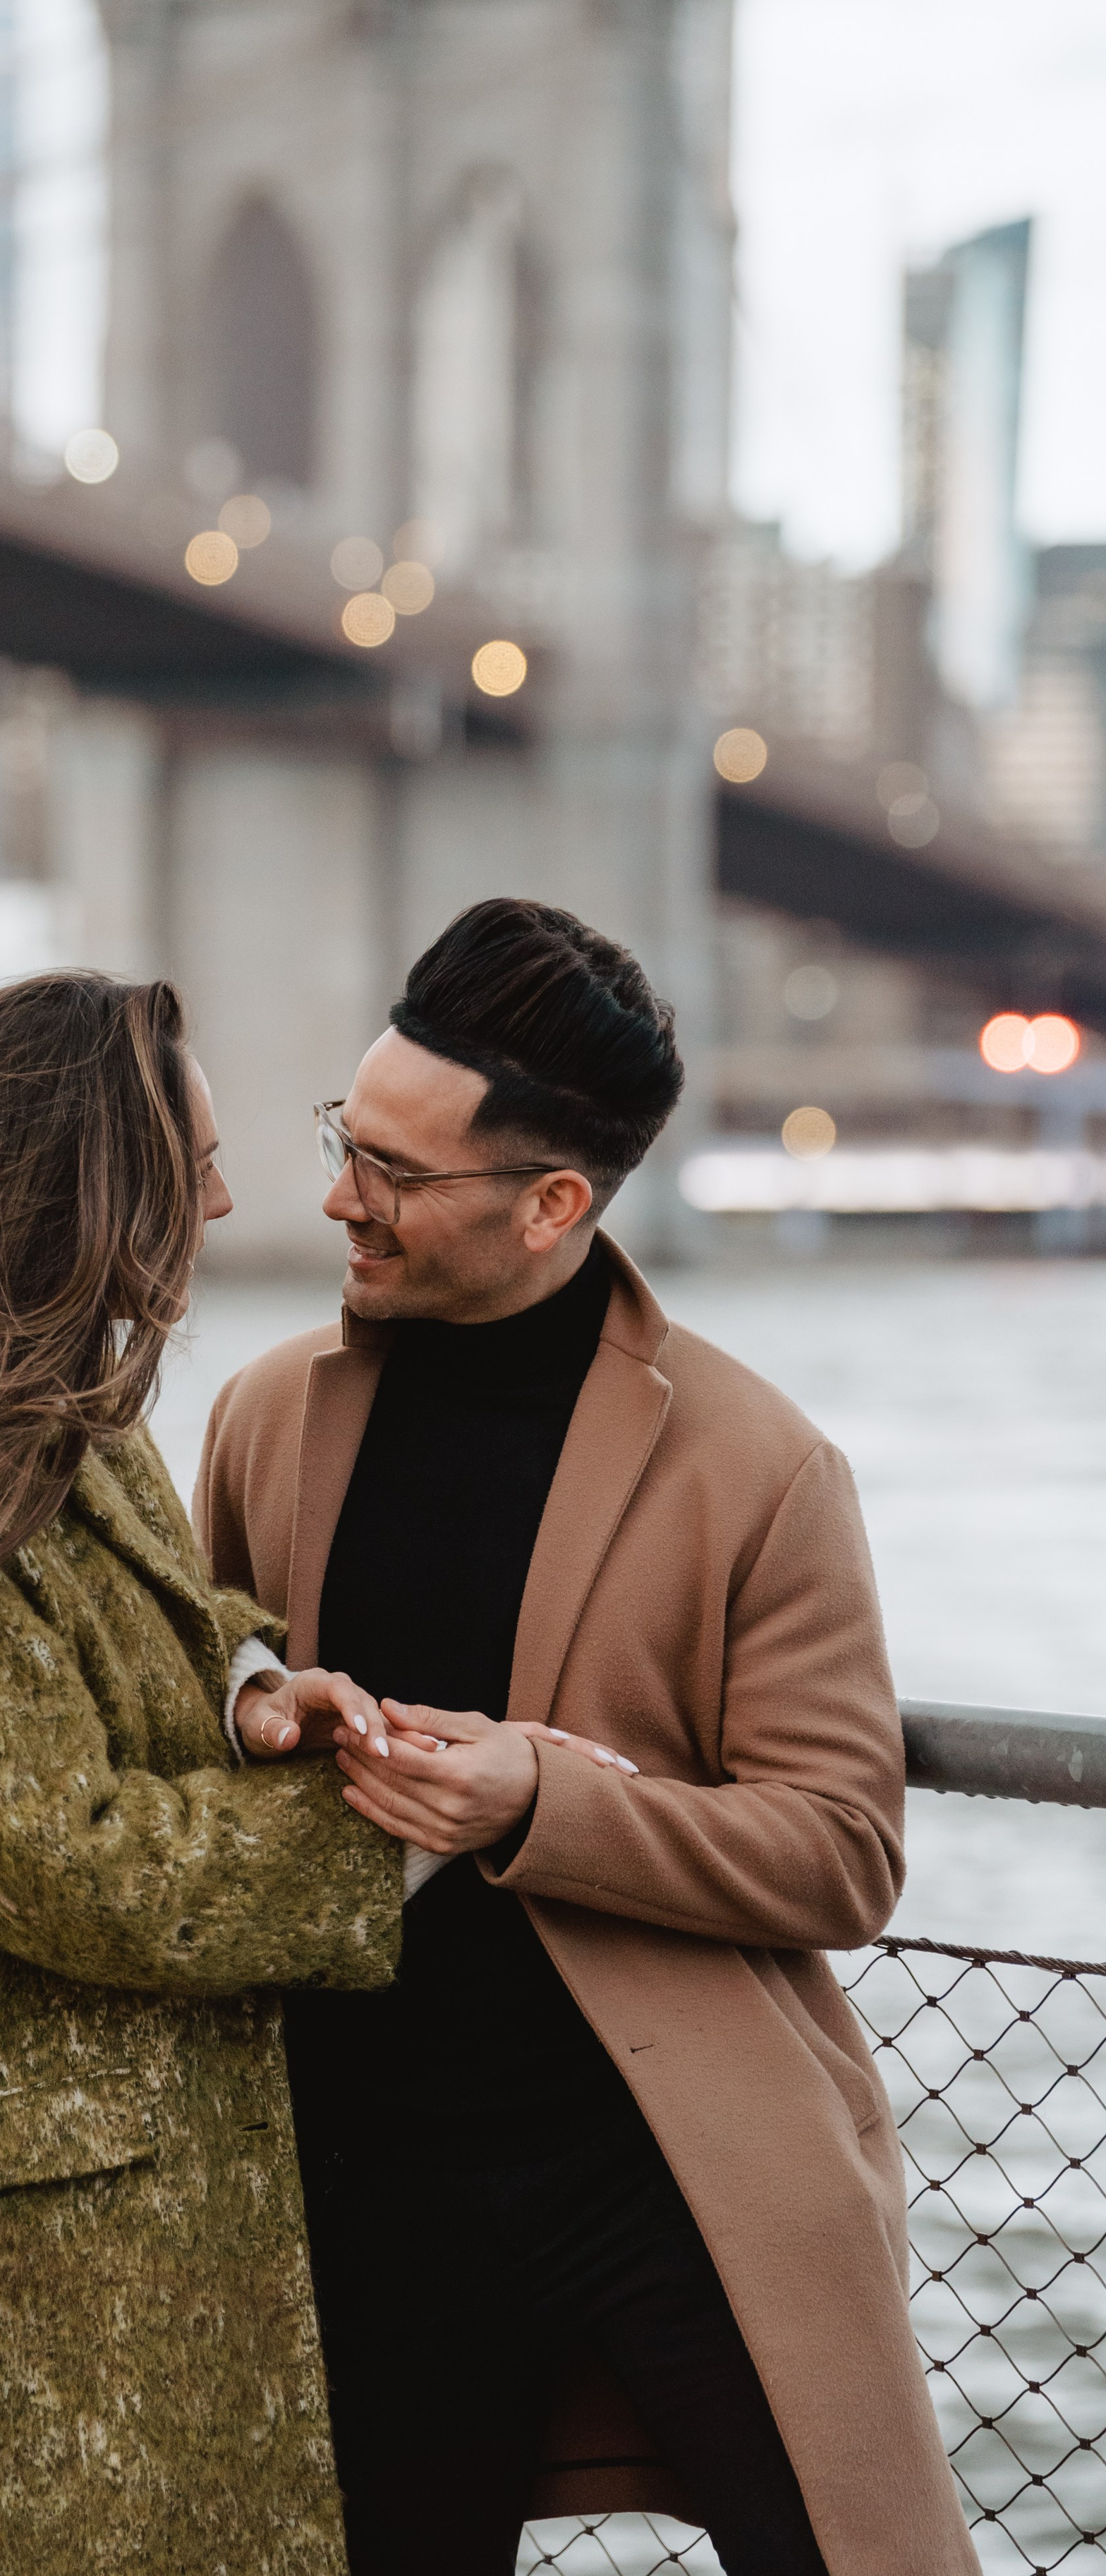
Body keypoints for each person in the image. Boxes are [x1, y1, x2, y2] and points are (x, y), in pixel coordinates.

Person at [0, 972, 638, 2576]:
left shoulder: (31, 1400)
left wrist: (252, 1690)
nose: (220, 1198)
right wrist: (414, 1816)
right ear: (91, 1182)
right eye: (186, 1161)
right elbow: (79, 1858)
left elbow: (140, 1613)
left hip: (52, 2219)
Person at [195, 899, 980, 2576]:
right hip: (351, 2182)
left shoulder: (759, 1463)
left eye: (395, 1174)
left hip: (674, 2171)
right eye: (349, 1138)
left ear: (553, 1204)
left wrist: (530, 1797)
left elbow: (840, 1850)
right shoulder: (267, 1415)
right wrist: (256, 1710)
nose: (341, 1194)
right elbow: (199, 1708)